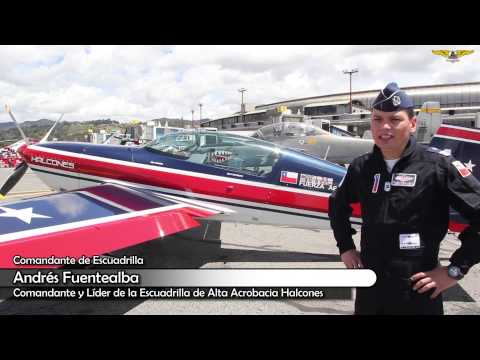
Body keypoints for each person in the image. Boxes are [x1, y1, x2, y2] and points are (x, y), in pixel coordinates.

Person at [329, 82, 480, 315]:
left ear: (412, 124)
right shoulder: (362, 167)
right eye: (377, 119)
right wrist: (345, 247)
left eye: (394, 119)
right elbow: (337, 205)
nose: (385, 127)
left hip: (418, 293)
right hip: (371, 293)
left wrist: (455, 270)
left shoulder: (438, 167)